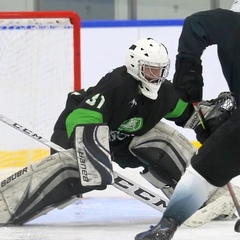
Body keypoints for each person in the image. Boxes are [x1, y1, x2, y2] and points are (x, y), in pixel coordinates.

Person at [0, 37, 233, 225]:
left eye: (161, 70)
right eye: (151, 70)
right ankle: (5, 203)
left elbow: (188, 116)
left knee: (160, 140)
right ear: (135, 66)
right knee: (75, 170)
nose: (157, 76)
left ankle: (206, 195)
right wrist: (92, 153)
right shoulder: (118, 84)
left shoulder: (164, 93)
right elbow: (82, 116)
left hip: (121, 140)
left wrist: (208, 123)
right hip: (75, 126)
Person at [135, 1, 240, 240]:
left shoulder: (232, 21)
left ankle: (166, 227)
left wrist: (188, 86)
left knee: (201, 172)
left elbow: (195, 24)